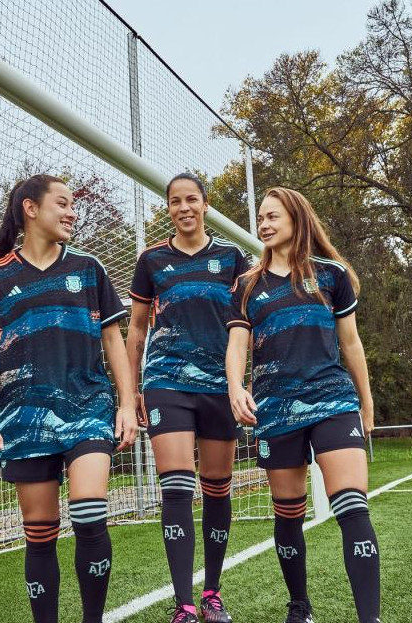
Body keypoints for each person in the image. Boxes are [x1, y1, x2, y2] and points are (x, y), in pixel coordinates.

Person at [0, 174, 138, 623]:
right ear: (30, 208)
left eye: (73, 205)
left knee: (88, 512)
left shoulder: (88, 268)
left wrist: (125, 403)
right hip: (23, 419)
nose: (71, 213)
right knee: (40, 532)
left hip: (88, 407)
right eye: (62, 203)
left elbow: (114, 340)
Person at [224, 187, 380, 623]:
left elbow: (351, 343)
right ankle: (300, 608)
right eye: (261, 217)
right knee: (288, 513)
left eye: (273, 215)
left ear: (296, 218)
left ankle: (371, 618)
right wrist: (236, 387)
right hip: (275, 411)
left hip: (333, 401)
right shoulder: (246, 286)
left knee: (351, 506)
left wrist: (365, 403)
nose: (264, 223)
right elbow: (237, 345)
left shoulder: (331, 275)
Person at [126, 173, 248, 623]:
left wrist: (244, 379)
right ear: (169, 208)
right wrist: (133, 388)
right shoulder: (152, 260)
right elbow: (137, 327)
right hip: (167, 382)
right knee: (176, 488)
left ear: (205, 205)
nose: (183, 208)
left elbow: (248, 322)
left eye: (191, 200)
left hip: (219, 386)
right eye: (175, 201)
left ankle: (213, 592)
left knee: (217, 489)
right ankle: (184, 604)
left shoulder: (233, 258)